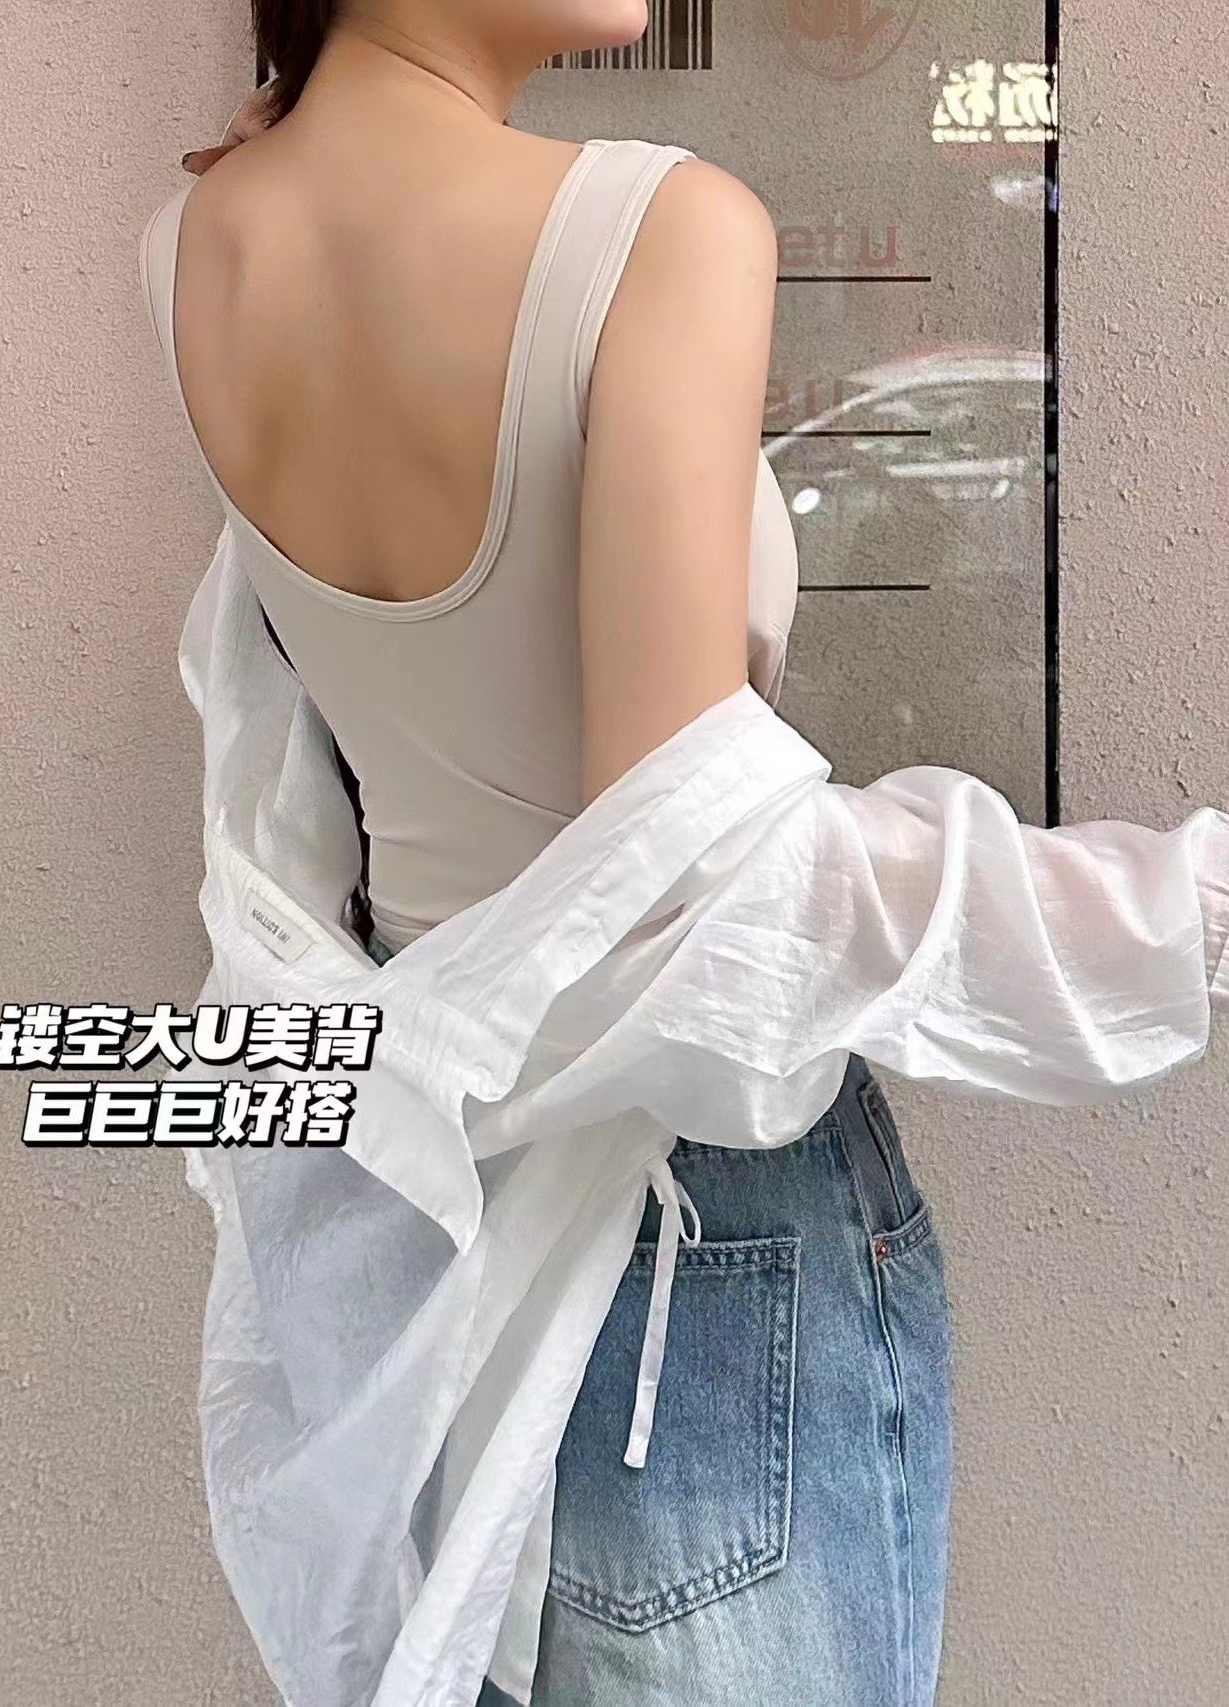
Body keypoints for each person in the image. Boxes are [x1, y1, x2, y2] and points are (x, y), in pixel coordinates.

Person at [140, 7, 1221, 1706]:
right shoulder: (656, 231)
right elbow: (694, 883)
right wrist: (1187, 915)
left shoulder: (200, 239)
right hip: (697, 1235)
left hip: (432, 1200)